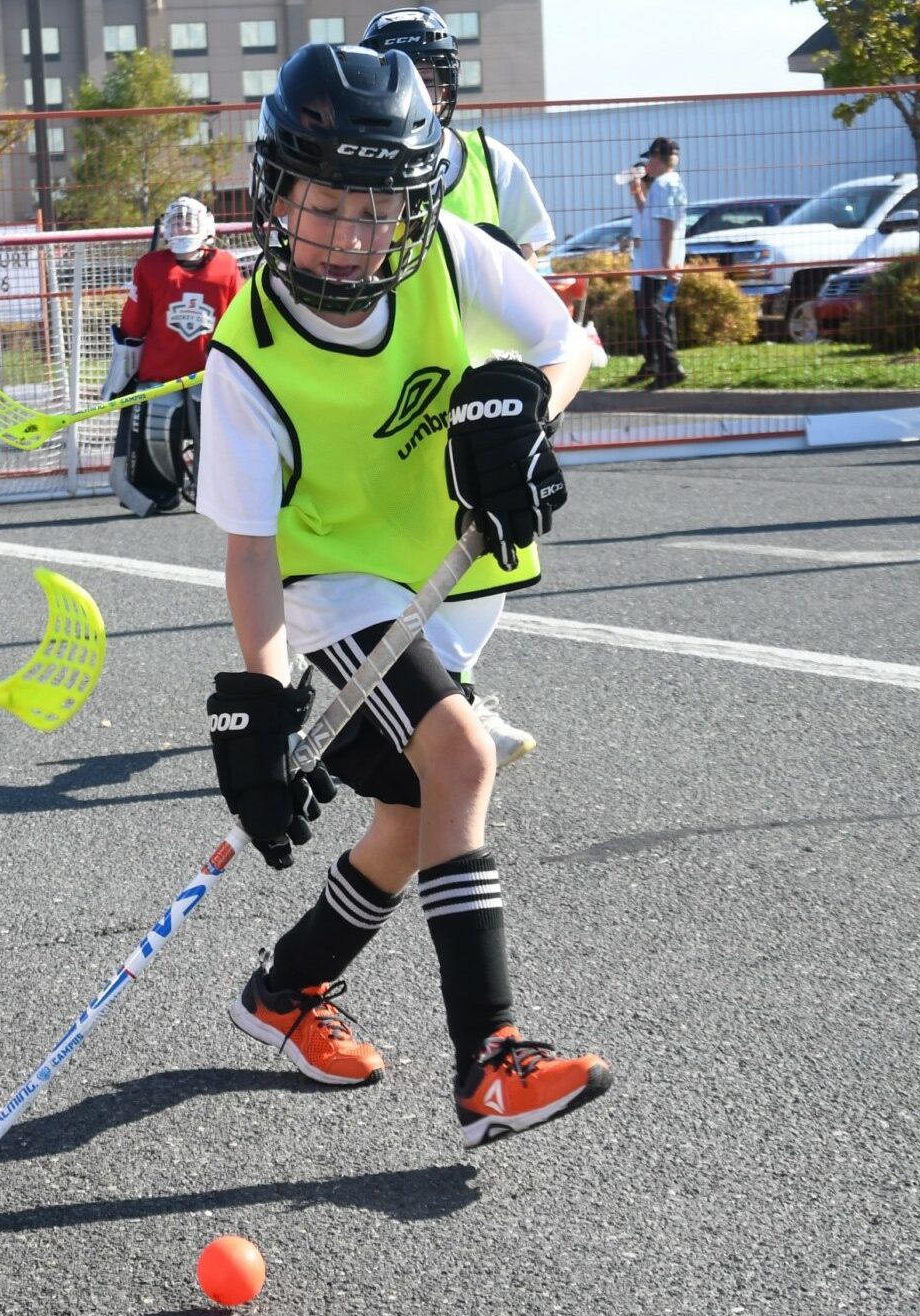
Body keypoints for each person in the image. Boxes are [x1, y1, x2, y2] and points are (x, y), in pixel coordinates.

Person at [196, 44, 610, 1147]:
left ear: (412, 203)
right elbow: (248, 551)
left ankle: (283, 991)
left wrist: (520, 401)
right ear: (278, 192)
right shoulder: (244, 357)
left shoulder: (451, 258)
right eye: (324, 204)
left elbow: (564, 345)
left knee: (409, 814)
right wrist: (262, 696)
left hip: (435, 579)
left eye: (373, 208)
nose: (347, 234)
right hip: (329, 584)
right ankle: (490, 1060)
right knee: (460, 759)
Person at [360, 5, 554, 766]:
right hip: (395, 383)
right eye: (402, 75)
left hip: (478, 390)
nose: (421, 90)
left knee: (490, 537)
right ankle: (382, 686)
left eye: (431, 76)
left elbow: (534, 254)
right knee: (383, 543)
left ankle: (453, 695)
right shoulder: (361, 159)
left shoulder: (489, 161)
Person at [359, 7, 557, 263]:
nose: (413, 93)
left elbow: (524, 255)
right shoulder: (353, 163)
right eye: (399, 81)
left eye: (427, 80)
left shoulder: (491, 161)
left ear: (446, 90)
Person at [103, 195, 243, 516]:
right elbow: (133, 326)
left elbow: (239, 324)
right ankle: (159, 491)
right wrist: (122, 375)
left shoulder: (226, 266)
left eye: (187, 221)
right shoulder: (150, 267)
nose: (181, 227)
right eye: (176, 221)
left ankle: (219, 489)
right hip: (160, 377)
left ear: (206, 225)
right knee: (158, 414)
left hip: (210, 376)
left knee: (215, 419)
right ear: (166, 228)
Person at [627, 136, 689, 390]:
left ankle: (670, 367)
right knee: (662, 314)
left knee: (652, 314)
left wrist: (664, 262)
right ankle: (665, 365)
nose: (646, 165)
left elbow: (665, 224)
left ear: (655, 157)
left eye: (649, 159)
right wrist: (638, 194)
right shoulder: (671, 183)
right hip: (665, 260)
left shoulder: (663, 185)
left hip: (658, 264)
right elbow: (652, 217)